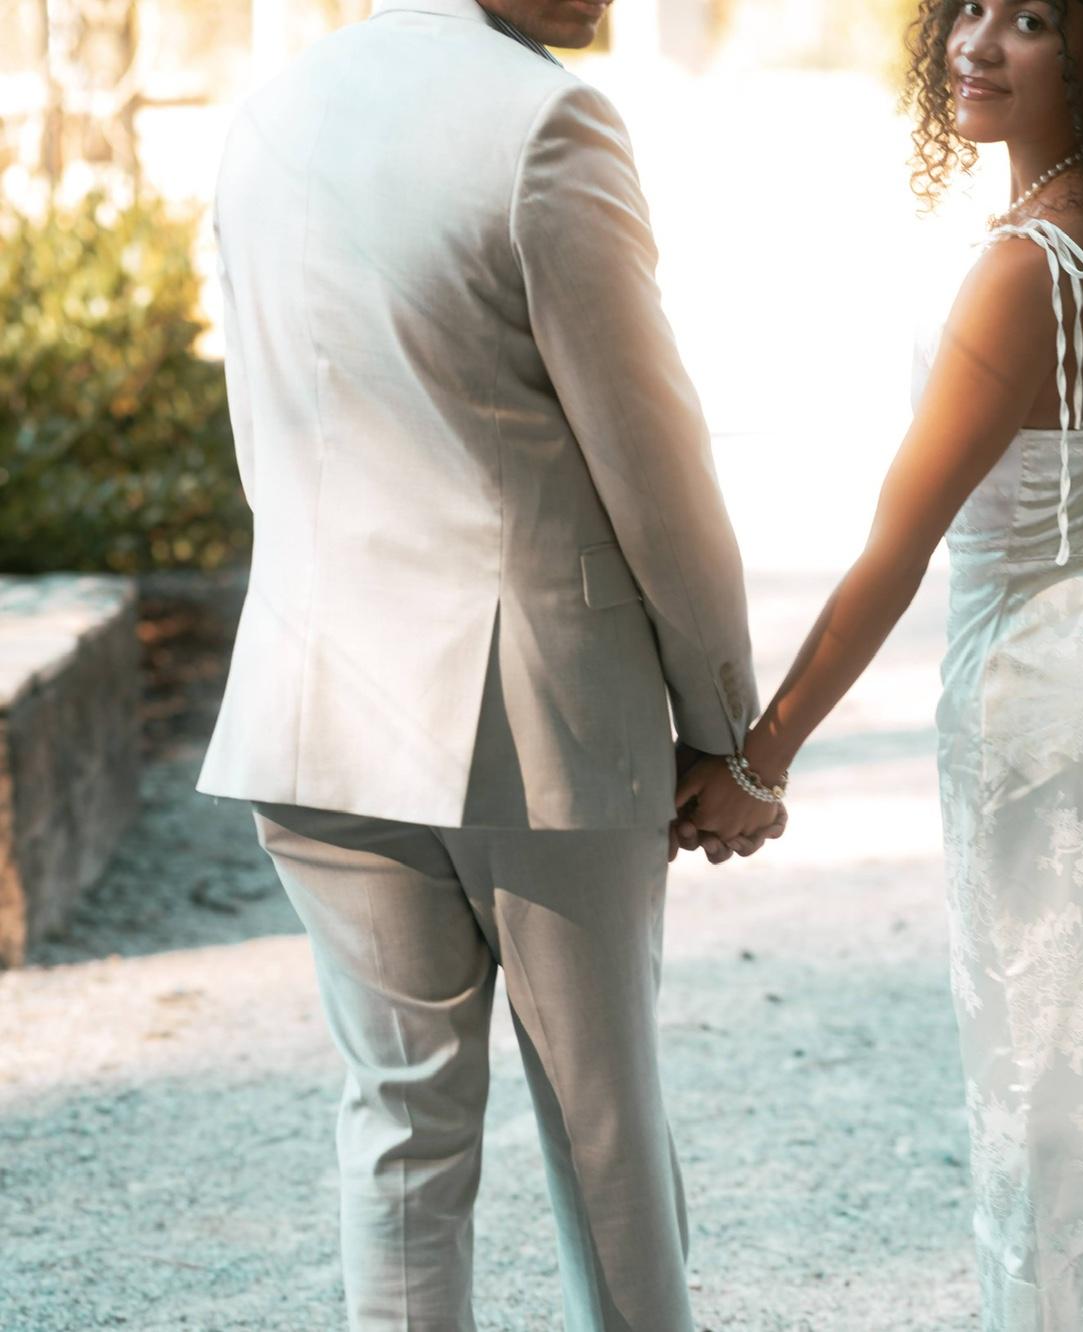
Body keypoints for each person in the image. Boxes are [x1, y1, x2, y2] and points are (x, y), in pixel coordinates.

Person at [676, 0, 1083, 1325]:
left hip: (1046, 699)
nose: (977, 43)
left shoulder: (1027, 268)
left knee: (1066, 1095)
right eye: (968, 7)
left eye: (1031, 19)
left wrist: (761, 760)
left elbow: (898, 547)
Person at [197, 1, 783, 1327]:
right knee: (603, 1129)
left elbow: (261, 429)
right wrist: (730, 732)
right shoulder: (546, 120)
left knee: (400, 1131)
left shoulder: (272, 111)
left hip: (311, 695)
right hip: (535, 719)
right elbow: (654, 466)